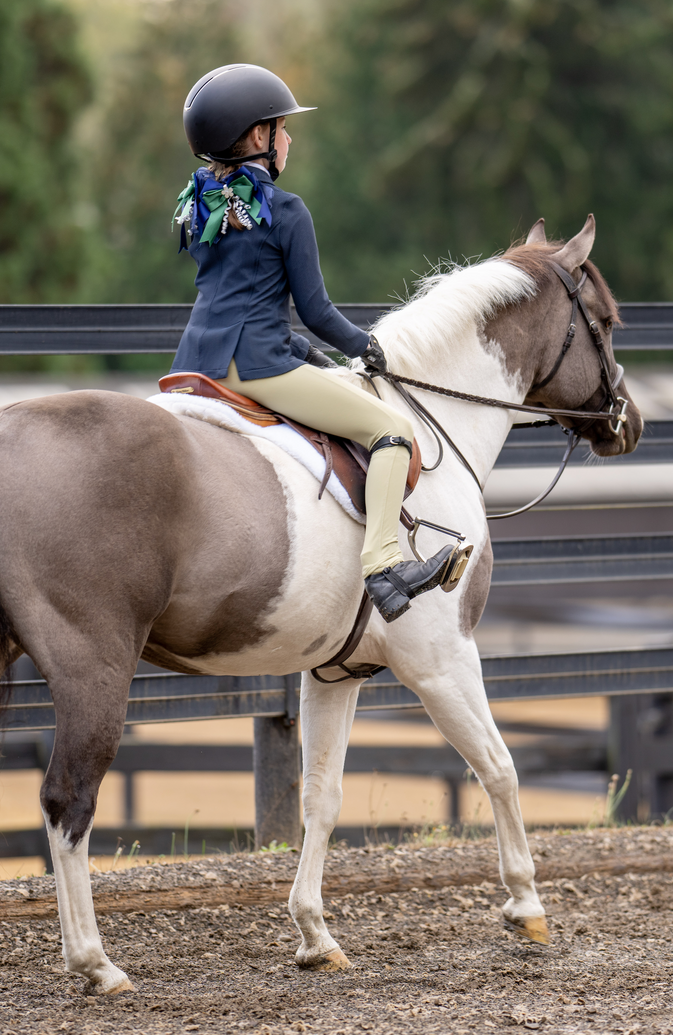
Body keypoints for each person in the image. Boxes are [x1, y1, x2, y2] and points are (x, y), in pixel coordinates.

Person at [171, 64, 453, 622]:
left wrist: (306, 354)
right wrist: (366, 348)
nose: (289, 137)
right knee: (392, 430)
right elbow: (316, 311)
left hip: (195, 362)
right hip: (255, 368)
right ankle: (384, 566)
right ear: (259, 138)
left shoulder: (199, 204)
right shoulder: (285, 209)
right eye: (281, 126)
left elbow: (246, 297)